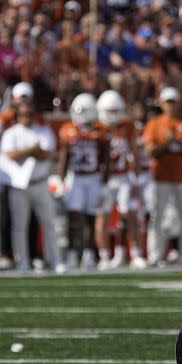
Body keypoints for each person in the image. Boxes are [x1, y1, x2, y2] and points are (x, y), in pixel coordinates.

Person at [0, 99, 63, 273]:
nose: (26, 118)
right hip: (18, 186)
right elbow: (10, 155)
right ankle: (22, 261)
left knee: (49, 223)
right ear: (17, 116)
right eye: (22, 115)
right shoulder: (11, 133)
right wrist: (31, 150)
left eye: (29, 114)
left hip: (40, 183)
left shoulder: (43, 131)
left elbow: (46, 154)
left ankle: (56, 260)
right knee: (19, 226)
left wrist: (27, 153)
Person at [142, 86, 182, 267]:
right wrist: (168, 143)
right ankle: (155, 255)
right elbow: (150, 151)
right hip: (162, 178)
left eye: (173, 102)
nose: (171, 106)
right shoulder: (154, 124)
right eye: (168, 102)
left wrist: (176, 142)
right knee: (157, 217)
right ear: (162, 103)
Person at [95, 90, 146, 270]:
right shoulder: (97, 128)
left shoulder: (127, 126)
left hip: (124, 177)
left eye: (114, 111)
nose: (112, 115)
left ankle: (136, 253)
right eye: (108, 111)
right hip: (105, 179)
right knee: (103, 216)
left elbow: (134, 151)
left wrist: (137, 175)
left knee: (131, 214)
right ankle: (104, 256)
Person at [58, 93, 109, 270]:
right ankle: (72, 254)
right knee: (74, 217)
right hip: (76, 178)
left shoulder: (101, 130)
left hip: (93, 178)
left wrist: (104, 182)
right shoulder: (68, 129)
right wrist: (60, 178)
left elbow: (105, 158)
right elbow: (64, 155)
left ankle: (88, 255)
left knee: (90, 218)